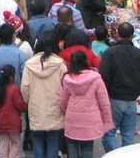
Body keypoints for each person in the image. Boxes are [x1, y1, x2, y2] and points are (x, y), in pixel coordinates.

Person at [21, 31, 67, 158]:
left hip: (36, 109)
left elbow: (25, 88)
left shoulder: (29, 65)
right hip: (55, 110)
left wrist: (28, 102)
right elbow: (66, 89)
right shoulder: (60, 65)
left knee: (38, 145)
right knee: (53, 143)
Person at [60, 50, 113, 158]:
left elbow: (63, 101)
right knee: (87, 148)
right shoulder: (95, 77)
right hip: (90, 119)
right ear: (85, 61)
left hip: (72, 117)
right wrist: (107, 120)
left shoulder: (67, 78)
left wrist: (65, 111)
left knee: (72, 147)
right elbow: (104, 102)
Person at [100, 22, 140, 150]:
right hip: (132, 98)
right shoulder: (138, 53)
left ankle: (114, 153)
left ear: (118, 34)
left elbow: (103, 75)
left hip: (114, 97)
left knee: (109, 132)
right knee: (128, 135)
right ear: (133, 36)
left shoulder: (110, 52)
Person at [0, 65, 28, 158]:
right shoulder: (14, 89)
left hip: (1, 122)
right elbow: (19, 105)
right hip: (13, 122)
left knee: (3, 143)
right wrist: (26, 106)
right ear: (11, 77)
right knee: (15, 143)